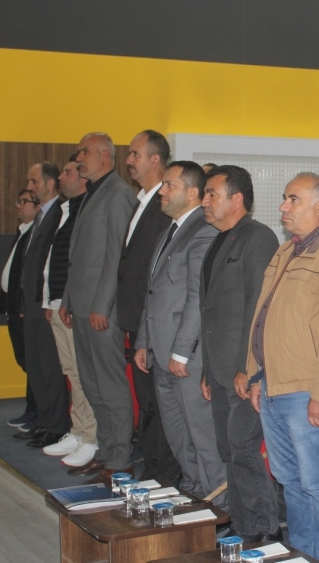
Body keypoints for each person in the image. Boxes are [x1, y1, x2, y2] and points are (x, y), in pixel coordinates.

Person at [246, 173, 319, 563]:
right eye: (285, 198)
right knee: (291, 483)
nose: (283, 206)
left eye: (293, 199)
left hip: (307, 390)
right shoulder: (288, 249)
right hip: (274, 385)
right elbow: (264, 315)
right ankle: (303, 556)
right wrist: (256, 373)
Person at [199, 165, 281, 542]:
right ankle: (242, 522)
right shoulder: (219, 240)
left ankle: (264, 528)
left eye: (211, 194)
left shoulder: (258, 237)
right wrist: (207, 368)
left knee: (244, 447)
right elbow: (211, 313)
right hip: (219, 368)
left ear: (236, 199)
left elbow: (258, 307)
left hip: (243, 369)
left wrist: (247, 367)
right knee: (229, 449)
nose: (204, 201)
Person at [134, 162, 224, 500]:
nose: (162, 191)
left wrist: (181, 352)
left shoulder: (204, 230)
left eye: (169, 185)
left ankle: (218, 505)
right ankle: (193, 493)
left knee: (202, 437)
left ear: (192, 193)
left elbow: (197, 299)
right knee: (177, 435)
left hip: (186, 356)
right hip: (160, 350)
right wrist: (143, 341)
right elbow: (153, 292)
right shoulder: (170, 230)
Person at [61, 132, 138, 483]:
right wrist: (68, 299)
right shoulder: (94, 192)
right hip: (82, 306)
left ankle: (120, 461)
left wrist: (102, 306)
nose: (80, 158)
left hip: (100, 312)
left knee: (110, 387)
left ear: (105, 155)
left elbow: (116, 257)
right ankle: (106, 453)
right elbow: (79, 257)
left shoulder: (118, 194)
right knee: (92, 386)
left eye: (85, 152)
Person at [117, 130, 182, 485]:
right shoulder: (142, 201)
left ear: (155, 160)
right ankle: (153, 468)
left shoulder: (164, 207)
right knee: (147, 400)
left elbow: (157, 276)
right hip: (138, 320)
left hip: (154, 324)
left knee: (158, 403)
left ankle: (160, 475)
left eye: (135, 154)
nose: (128, 160)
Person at [40, 155, 98, 467]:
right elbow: (55, 261)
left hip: (75, 306)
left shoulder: (88, 209)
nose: (61, 177)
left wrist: (70, 302)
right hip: (59, 304)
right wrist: (49, 301)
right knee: (71, 373)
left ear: (83, 178)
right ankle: (78, 430)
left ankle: (91, 436)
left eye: (67, 172)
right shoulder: (66, 210)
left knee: (83, 373)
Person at [15, 161, 69, 449]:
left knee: (50, 369)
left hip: (46, 304)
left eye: (34, 182)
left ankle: (57, 426)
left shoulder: (60, 213)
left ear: (50, 183)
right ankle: (44, 421)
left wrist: (46, 300)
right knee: (36, 368)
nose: (30, 187)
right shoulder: (40, 216)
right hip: (32, 303)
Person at [0, 189, 40, 431]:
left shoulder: (36, 233)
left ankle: (36, 411)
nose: (19, 206)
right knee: (26, 361)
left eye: (24, 202)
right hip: (14, 307)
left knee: (33, 362)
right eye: (18, 201)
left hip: (26, 310)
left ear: (37, 206)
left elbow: (30, 275)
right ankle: (31, 409)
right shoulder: (23, 232)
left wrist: (22, 304)